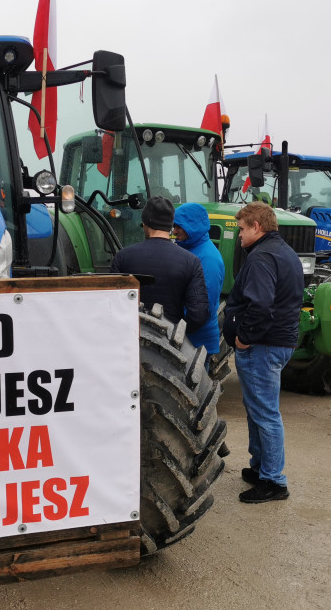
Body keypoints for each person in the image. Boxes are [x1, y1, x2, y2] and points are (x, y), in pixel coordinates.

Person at [223, 202, 304, 503]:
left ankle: (273, 481)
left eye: (242, 228)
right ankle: (261, 467)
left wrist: (244, 337)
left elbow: (260, 305)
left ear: (256, 226)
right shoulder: (284, 252)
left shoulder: (261, 258)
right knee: (257, 409)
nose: (239, 235)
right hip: (278, 342)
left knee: (266, 413)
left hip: (263, 345)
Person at [110, 196, 209, 334]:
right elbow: (198, 315)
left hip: (130, 336)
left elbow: (111, 304)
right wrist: (177, 334)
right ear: (170, 225)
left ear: (145, 223)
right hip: (168, 341)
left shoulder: (123, 257)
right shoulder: (191, 261)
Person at [172, 203, 226, 362]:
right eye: (174, 226)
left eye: (179, 226)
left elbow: (203, 307)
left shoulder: (208, 258)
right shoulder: (189, 250)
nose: (174, 231)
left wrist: (182, 330)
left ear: (192, 226)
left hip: (197, 341)